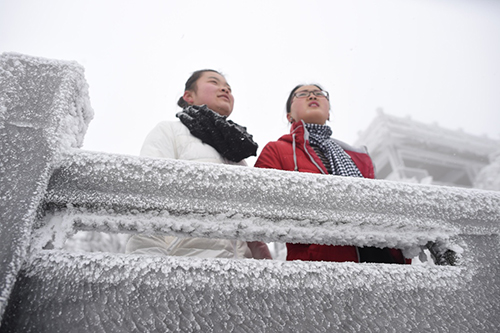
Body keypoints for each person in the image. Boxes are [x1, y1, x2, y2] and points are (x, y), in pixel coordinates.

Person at [254, 84, 410, 264]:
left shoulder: (358, 157)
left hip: (377, 255)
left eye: (319, 94)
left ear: (328, 114)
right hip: (320, 264)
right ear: (290, 116)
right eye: (303, 94)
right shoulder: (276, 150)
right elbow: (259, 205)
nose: (312, 96)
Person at [126, 69, 271, 260]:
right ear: (189, 96)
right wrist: (147, 261)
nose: (225, 89)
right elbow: (146, 195)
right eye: (214, 82)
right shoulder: (169, 131)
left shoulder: (236, 153)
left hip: (239, 273)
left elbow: (249, 224)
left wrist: (263, 263)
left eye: (229, 88)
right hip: (184, 265)